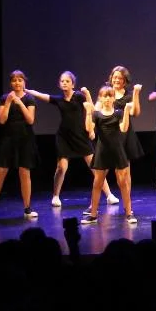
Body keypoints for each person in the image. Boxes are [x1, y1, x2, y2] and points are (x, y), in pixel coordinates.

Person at [26, 71, 120, 208]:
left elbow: (91, 109)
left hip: (81, 135)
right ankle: (55, 195)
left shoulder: (79, 96)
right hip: (64, 137)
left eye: (67, 81)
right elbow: (43, 96)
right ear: (59, 84)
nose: (64, 83)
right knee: (61, 167)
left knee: (95, 167)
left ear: (73, 84)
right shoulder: (59, 99)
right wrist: (28, 91)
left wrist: (91, 129)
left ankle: (109, 195)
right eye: (62, 81)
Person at [0, 69, 40, 221]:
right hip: (8, 138)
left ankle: (27, 208)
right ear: (10, 83)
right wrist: (8, 102)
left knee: (24, 171)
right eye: (14, 80)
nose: (17, 83)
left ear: (24, 82)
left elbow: (30, 120)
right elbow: (2, 120)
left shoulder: (29, 99)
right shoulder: (4, 98)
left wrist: (19, 102)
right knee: (1, 170)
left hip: (25, 138)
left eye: (20, 80)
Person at [80, 85, 137, 224]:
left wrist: (126, 111)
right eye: (104, 96)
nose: (107, 98)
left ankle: (129, 213)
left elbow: (124, 128)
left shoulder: (118, 113)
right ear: (100, 98)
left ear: (113, 98)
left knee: (123, 183)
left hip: (117, 151)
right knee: (97, 183)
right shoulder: (96, 114)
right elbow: (89, 128)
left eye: (110, 96)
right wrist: (88, 112)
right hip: (102, 151)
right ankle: (93, 215)